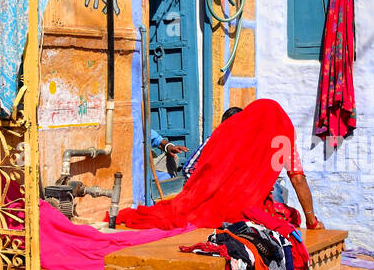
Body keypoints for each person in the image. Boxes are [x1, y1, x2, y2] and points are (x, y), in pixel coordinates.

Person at [117, 97, 322, 234]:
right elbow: (297, 178)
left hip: (211, 202)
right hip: (244, 210)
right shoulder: (282, 136)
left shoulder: (230, 132)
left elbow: (206, 167)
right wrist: (312, 221)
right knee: (288, 217)